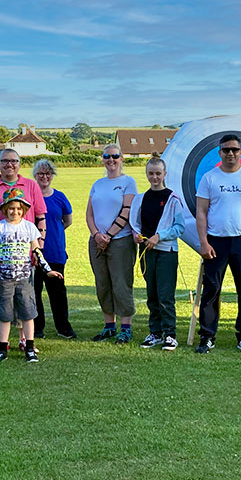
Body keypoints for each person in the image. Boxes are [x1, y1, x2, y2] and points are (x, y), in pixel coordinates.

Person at [195, 134, 241, 354]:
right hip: (216, 242)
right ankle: (207, 336)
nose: (230, 153)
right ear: (220, 153)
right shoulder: (209, 178)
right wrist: (204, 243)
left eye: (235, 150)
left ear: (240, 152)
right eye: (226, 150)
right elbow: (201, 212)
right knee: (211, 290)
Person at [0, 149, 46, 356]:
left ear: (19, 163)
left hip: (24, 255)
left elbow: (40, 216)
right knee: (1, 298)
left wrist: (38, 247)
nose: (9, 165)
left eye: (13, 161)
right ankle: (1, 341)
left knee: (24, 297)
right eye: (5, 161)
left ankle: (24, 339)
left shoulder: (31, 185)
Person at [0, 188, 62, 364]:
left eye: (18, 208)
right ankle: (3, 348)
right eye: (11, 208)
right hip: (4, 278)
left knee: (27, 312)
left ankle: (30, 348)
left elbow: (37, 251)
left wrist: (47, 270)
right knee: (4, 313)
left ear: (24, 209)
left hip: (24, 278)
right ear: (4, 209)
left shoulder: (29, 227)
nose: (14, 212)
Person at [129, 155, 185, 351]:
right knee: (152, 294)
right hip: (146, 252)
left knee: (165, 295)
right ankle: (155, 333)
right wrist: (138, 235)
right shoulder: (141, 198)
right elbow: (135, 223)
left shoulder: (172, 199)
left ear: (165, 174)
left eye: (158, 174)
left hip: (166, 252)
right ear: (146, 174)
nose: (154, 177)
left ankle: (170, 334)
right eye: (151, 173)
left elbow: (179, 227)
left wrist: (159, 236)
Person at [86, 144, 138, 344]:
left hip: (120, 241)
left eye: (115, 156)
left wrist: (108, 236)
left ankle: (126, 328)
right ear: (103, 159)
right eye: (107, 156)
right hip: (97, 241)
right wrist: (96, 235)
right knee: (103, 285)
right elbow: (89, 213)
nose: (111, 160)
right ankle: (109, 326)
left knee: (121, 283)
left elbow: (127, 211)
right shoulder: (98, 184)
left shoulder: (128, 182)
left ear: (121, 158)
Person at [32, 159, 76, 339]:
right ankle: (36, 327)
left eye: (48, 173)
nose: (44, 177)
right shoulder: (30, 195)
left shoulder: (60, 197)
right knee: (34, 293)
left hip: (55, 251)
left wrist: (53, 232)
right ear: (35, 175)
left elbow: (68, 220)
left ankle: (63, 327)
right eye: (41, 173)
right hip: (34, 253)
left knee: (57, 293)